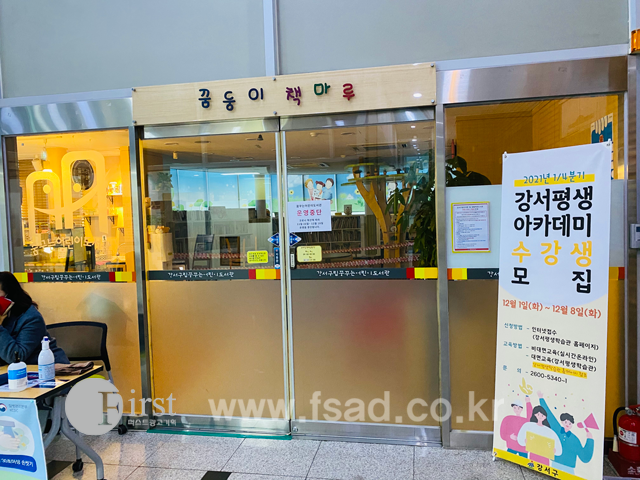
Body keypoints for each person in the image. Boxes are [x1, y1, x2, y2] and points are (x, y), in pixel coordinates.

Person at [0, 272, 68, 366]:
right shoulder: (3, 315)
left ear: (9, 295)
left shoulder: (31, 318)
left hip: (45, 369)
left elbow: (16, 357)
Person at [539, 392, 594, 474]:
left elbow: (584, 457)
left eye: (570, 423)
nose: (567, 424)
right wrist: (541, 399)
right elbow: (549, 416)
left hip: (569, 467)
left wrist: (590, 440)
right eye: (565, 422)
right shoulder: (557, 429)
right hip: (555, 462)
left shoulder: (575, 439)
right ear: (562, 422)